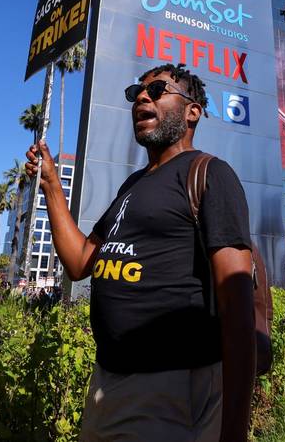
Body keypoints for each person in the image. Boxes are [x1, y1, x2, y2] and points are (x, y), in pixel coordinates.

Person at [26, 63, 255, 442]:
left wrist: (233, 432)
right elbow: (80, 261)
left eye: (157, 90)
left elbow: (237, 307)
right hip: (108, 382)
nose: (142, 97)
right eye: (137, 93)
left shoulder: (211, 173)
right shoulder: (133, 185)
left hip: (170, 391)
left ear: (192, 111)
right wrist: (52, 183)